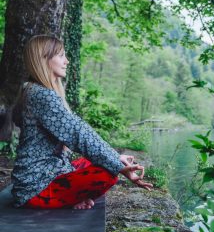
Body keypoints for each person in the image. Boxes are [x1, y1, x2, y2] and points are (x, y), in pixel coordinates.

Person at [11, 34, 153, 210]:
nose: (67, 61)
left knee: (96, 162)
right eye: (61, 55)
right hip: (35, 188)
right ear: (43, 58)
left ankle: (68, 197)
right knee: (108, 173)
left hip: (40, 175)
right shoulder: (42, 95)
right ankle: (63, 199)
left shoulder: (29, 90)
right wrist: (117, 164)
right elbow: (78, 134)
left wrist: (116, 158)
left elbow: (18, 118)